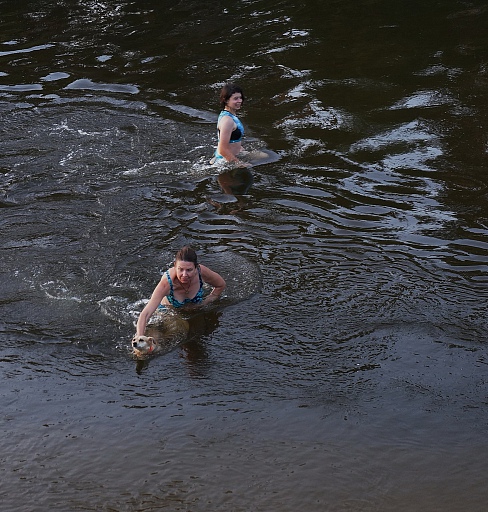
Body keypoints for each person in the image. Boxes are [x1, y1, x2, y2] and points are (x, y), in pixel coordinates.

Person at [134, 246, 226, 337]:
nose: (184, 275)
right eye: (180, 269)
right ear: (175, 266)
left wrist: (205, 302)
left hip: (195, 310)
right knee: (178, 330)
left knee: (202, 332)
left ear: (196, 268)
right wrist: (140, 336)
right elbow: (145, 314)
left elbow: (221, 285)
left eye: (189, 270)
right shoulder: (167, 284)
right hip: (169, 311)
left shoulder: (201, 272)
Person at [211, 83, 251, 167]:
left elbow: (231, 139)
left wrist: (239, 149)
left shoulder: (229, 115)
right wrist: (239, 164)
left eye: (240, 98)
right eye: (235, 98)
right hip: (224, 161)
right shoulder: (227, 121)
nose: (239, 101)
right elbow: (223, 150)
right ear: (226, 100)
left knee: (265, 156)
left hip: (234, 155)